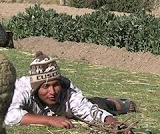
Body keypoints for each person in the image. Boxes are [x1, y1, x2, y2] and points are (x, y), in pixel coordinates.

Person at [5, 53, 136, 129]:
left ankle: (116, 103)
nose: (52, 92)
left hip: (68, 112)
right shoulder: (21, 89)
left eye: (55, 85)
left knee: (96, 104)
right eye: (45, 87)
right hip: (55, 115)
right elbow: (10, 116)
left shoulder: (67, 91)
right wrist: (49, 120)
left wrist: (113, 122)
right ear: (36, 88)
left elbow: (87, 110)